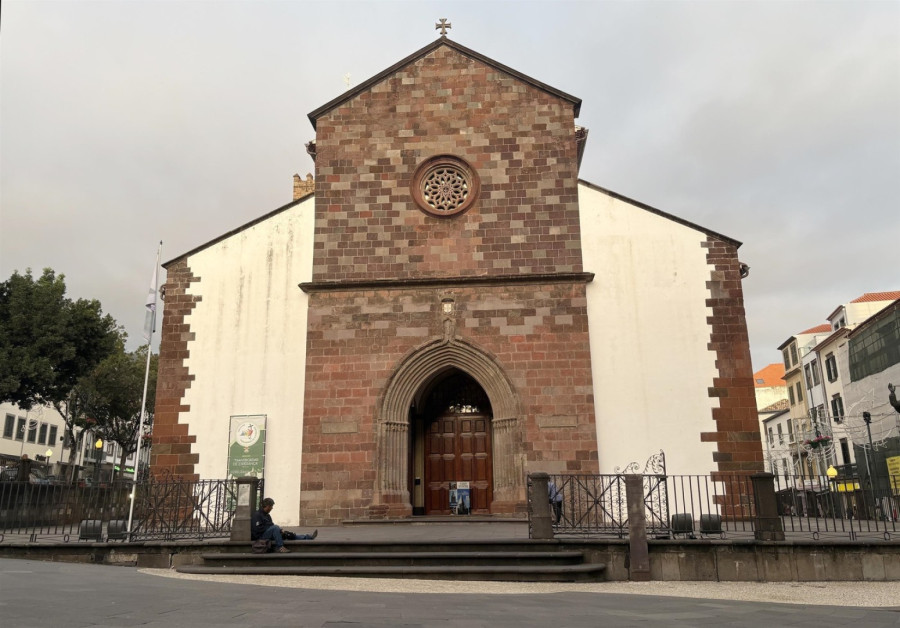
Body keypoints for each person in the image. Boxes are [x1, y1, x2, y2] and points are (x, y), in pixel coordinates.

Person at [251, 497, 317, 553]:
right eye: (271, 507)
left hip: (268, 533)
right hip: (261, 536)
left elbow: (271, 525)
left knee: (286, 534)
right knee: (275, 528)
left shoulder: (267, 515)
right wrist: (273, 529)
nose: (272, 508)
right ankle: (280, 547)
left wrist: (280, 531)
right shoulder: (257, 515)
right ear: (268, 506)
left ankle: (308, 537)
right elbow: (258, 529)